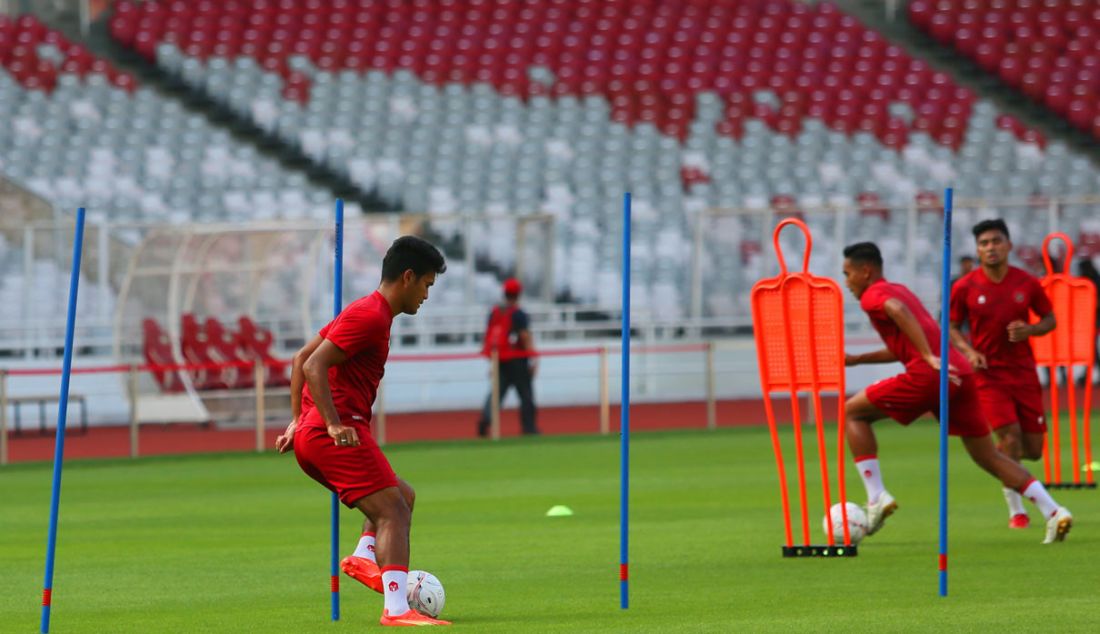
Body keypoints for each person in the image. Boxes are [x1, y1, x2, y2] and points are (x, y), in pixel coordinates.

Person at [840, 242, 1072, 544]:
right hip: (959, 372)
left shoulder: (873, 296)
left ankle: (875, 498)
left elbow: (897, 315)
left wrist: (926, 357)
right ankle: (1054, 511)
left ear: (865, 271)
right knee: (987, 455)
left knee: (852, 412)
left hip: (931, 374)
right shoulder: (901, 290)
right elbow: (906, 340)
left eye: (847, 274)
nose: (846, 283)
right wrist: (859, 359)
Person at [276, 236, 451, 627]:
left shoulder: (367, 311)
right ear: (407, 277)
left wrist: (295, 421)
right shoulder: (369, 316)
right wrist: (333, 422)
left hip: (316, 433)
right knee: (394, 511)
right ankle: (396, 610)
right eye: (425, 285)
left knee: (402, 495)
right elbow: (312, 366)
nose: (425, 295)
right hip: (334, 433)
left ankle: (362, 556)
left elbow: (300, 356)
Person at [948, 219, 1056, 528]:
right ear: (978, 250)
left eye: (996, 241)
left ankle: (998, 456)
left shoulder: (1027, 283)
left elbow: (1050, 319)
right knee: (1010, 436)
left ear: (1008, 246)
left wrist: (1031, 329)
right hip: (988, 376)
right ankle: (1017, 511)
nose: (990, 248)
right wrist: (969, 352)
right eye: (984, 244)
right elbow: (952, 326)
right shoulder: (965, 287)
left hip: (1023, 373)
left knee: (1033, 450)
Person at [476, 277, 539, 437]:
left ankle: (486, 419)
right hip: (518, 360)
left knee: (496, 394)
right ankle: (529, 427)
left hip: (500, 360)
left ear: (504, 293)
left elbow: (492, 339)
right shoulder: (518, 314)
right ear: (519, 294)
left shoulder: (495, 312)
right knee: (526, 395)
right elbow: (525, 337)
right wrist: (533, 359)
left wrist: (492, 364)